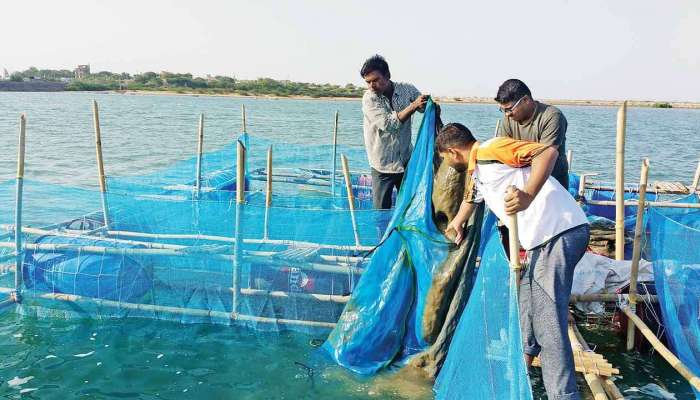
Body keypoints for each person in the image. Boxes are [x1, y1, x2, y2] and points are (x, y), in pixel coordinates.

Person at [436, 123, 590, 400]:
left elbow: (548, 153)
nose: (447, 163)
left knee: (548, 322)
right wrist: (457, 223)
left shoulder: (490, 149)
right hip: (541, 243)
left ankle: (563, 396)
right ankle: (522, 368)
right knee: (527, 303)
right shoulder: (479, 170)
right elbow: (474, 197)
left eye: (445, 158)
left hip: (558, 233)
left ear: (452, 152)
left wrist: (527, 195)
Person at [360, 54, 429, 209]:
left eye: (376, 80)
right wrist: (413, 107)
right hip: (382, 166)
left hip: (406, 161)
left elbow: (422, 106)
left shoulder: (407, 89)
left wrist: (426, 104)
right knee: (381, 212)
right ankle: (382, 234)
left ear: (388, 76)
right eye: (368, 82)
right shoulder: (369, 99)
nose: (372, 86)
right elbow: (389, 124)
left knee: (409, 207)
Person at [495, 79, 569, 189]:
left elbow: (544, 158)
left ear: (526, 100)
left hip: (552, 185)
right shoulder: (509, 119)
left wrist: (527, 195)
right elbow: (503, 151)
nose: (506, 115)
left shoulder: (552, 116)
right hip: (520, 182)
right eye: (503, 110)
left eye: (509, 109)